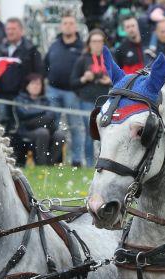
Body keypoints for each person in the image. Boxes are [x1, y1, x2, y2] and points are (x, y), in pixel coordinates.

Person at [45, 13, 86, 167]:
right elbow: (46, 64)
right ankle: (54, 159)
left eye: (71, 23)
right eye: (65, 23)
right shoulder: (54, 45)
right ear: (61, 26)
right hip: (53, 90)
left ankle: (76, 160)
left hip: (72, 93)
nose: (68, 26)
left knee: (75, 127)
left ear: (75, 26)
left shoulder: (82, 47)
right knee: (52, 126)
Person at [72, 29, 114, 167]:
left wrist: (110, 80)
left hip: (106, 100)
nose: (97, 44)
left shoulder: (110, 59)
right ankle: (89, 164)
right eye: (94, 41)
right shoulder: (82, 59)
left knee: (106, 132)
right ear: (89, 43)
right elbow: (72, 82)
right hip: (87, 100)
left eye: (99, 41)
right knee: (90, 132)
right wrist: (84, 78)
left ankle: (105, 163)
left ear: (104, 43)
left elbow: (120, 78)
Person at [13, 74, 67, 166]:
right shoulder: (20, 99)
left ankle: (49, 165)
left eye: (38, 84)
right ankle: (41, 165)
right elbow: (24, 114)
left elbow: (51, 115)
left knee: (60, 135)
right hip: (26, 131)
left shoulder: (46, 100)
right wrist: (42, 112)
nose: (36, 86)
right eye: (33, 84)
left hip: (46, 130)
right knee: (43, 132)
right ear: (27, 85)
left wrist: (32, 113)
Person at [0, 18, 43, 101]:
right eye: (8, 29)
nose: (10, 32)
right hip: (2, 96)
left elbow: (38, 72)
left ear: (21, 31)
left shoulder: (31, 50)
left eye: (13, 29)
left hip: (23, 97)